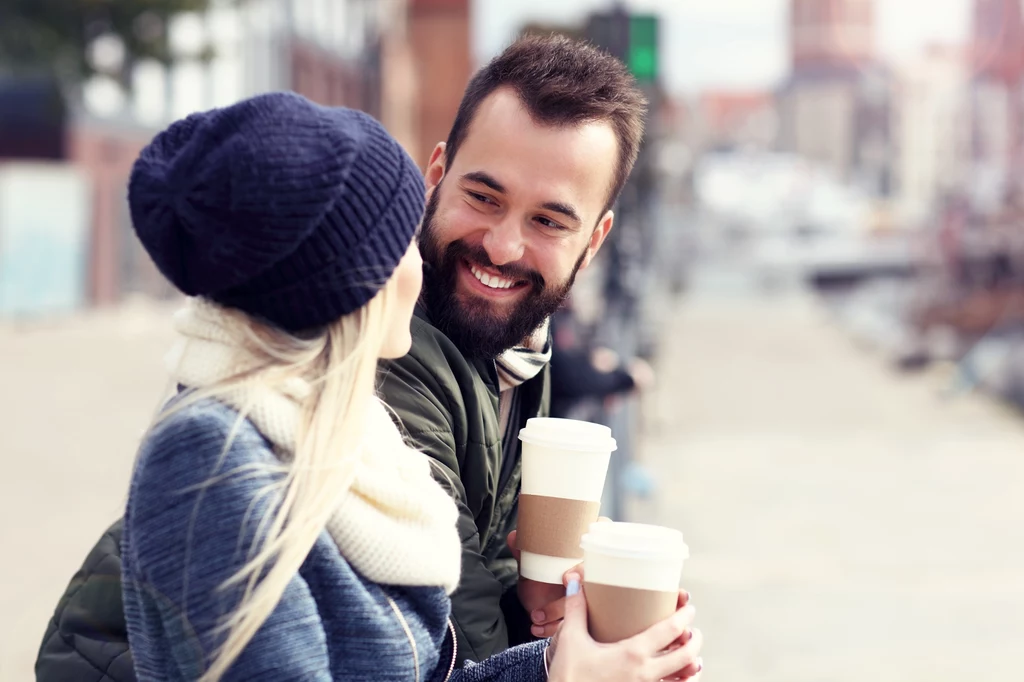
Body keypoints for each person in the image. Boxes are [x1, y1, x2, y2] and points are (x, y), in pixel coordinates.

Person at [35, 35, 703, 679]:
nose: (500, 248)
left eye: (549, 221)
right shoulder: (220, 454)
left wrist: (550, 640)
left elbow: (419, 663)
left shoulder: (369, 418)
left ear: (594, 240)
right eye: (480, 197)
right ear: (348, 275)